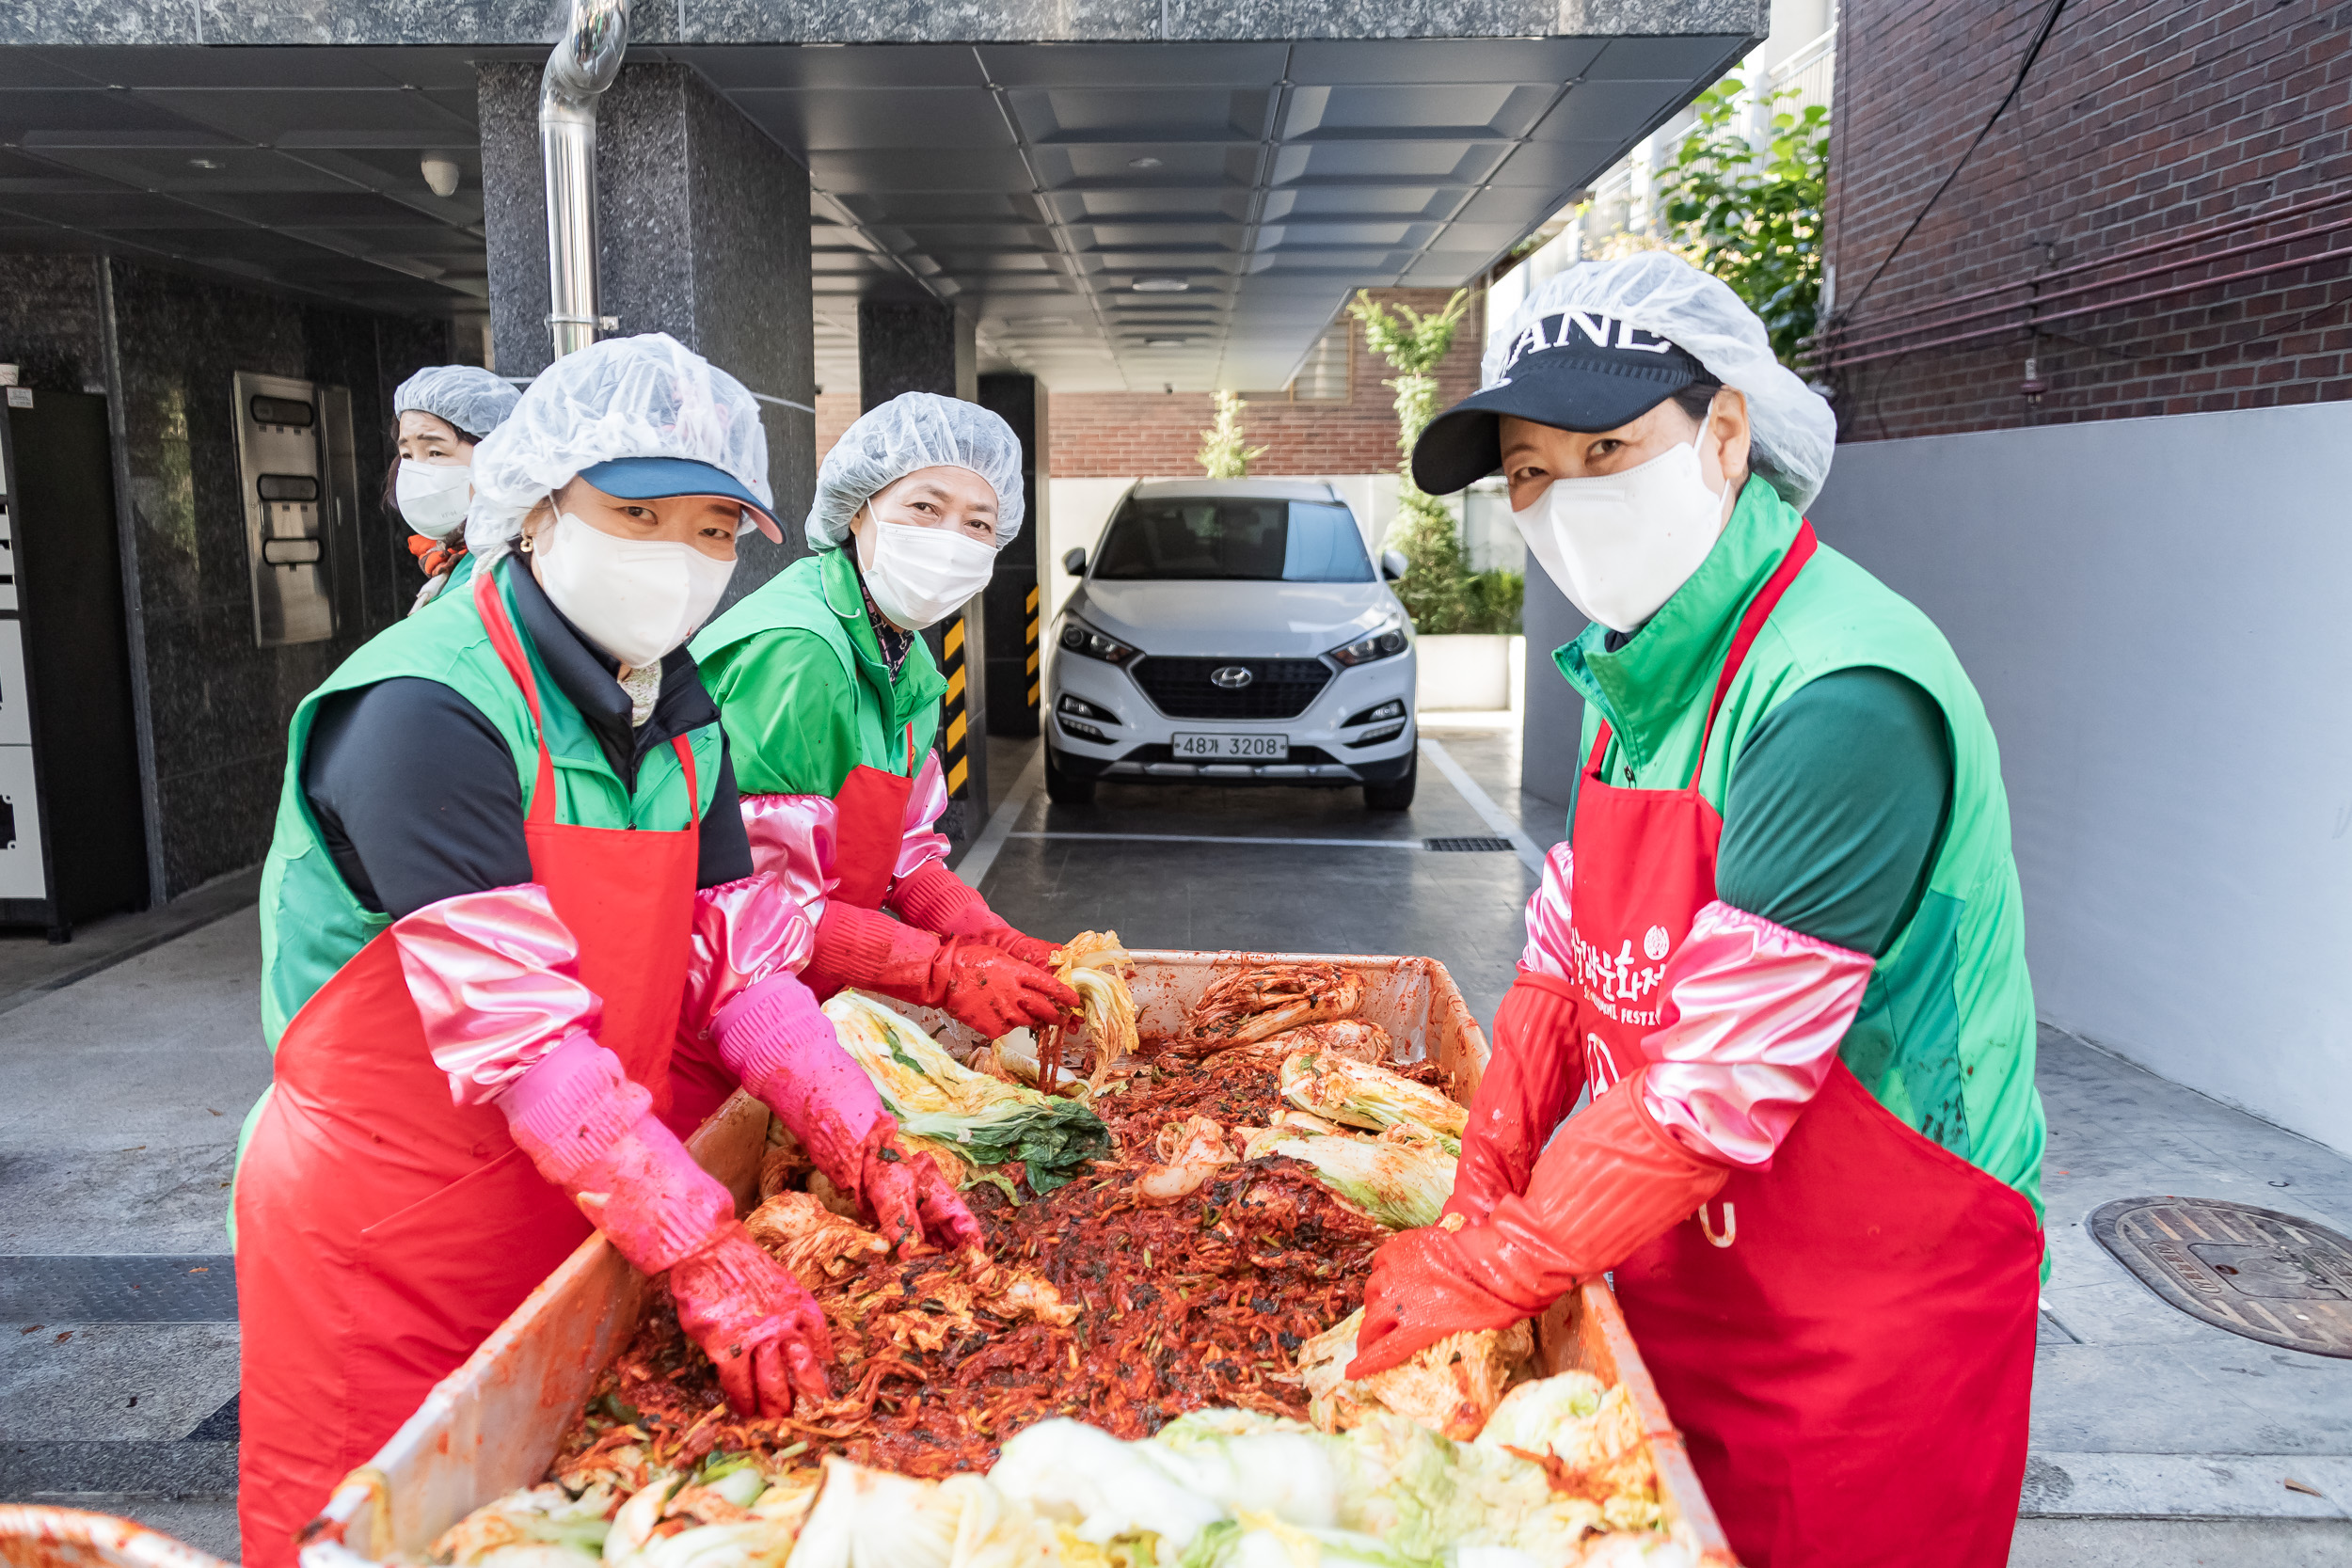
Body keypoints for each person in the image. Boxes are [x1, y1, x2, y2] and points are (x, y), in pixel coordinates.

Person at [1347, 254, 2047, 1568]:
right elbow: (1566, 964)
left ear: (1725, 433)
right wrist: (1478, 1192)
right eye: (1533, 470)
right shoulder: (1648, 671)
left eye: (1608, 445)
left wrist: (1497, 1264)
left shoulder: (1840, 690)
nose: (1567, 498)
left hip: (1864, 1322)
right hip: (1682, 1259)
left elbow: (1717, 1078)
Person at [233, 336, 978, 1568]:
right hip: (392, 1234)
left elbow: (742, 966)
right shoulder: (427, 710)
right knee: (385, 1528)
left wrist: (865, 1134)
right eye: (633, 512)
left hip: (582, 1199)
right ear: (535, 506)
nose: (674, 559)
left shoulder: (674, 709)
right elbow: (524, 1039)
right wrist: (703, 1244)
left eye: (710, 530)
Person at [693, 392, 1080, 1045]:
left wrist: (991, 937)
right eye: (924, 507)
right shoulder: (803, 651)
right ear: (858, 509)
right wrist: (941, 971)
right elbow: (761, 903)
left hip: (801, 984)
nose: (951, 540)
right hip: (726, 1011)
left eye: (978, 524)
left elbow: (901, 851)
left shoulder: (902, 660)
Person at [385, 364, 520, 610]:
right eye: (406, 455)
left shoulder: (513, 564)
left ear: (495, 454)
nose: (416, 472)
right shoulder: (447, 562)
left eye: (435, 452)